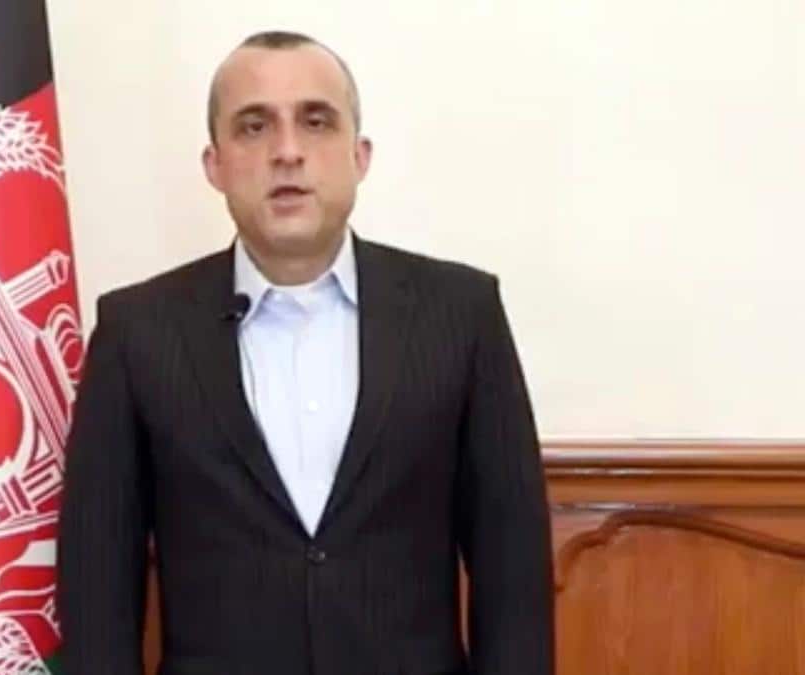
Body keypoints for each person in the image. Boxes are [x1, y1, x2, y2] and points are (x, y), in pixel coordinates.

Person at [56, 29, 554, 675]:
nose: (287, 152)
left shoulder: (462, 313)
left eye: (316, 122)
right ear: (214, 164)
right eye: (254, 126)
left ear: (359, 155)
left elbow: (513, 574)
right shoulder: (137, 331)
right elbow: (98, 590)